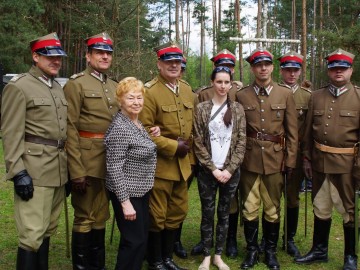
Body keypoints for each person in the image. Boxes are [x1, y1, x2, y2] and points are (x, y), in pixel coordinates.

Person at [1, 32, 68, 269]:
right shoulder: (19, 87)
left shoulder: (57, 87)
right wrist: (18, 172)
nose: (56, 61)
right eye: (50, 57)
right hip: (34, 171)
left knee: (48, 229)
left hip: (57, 170)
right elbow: (10, 133)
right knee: (31, 235)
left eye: (59, 57)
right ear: (35, 57)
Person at [295, 48, 360, 270]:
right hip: (319, 163)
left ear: (351, 70)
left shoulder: (359, 97)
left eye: (343, 68)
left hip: (346, 166)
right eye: (334, 68)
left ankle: (350, 256)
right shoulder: (316, 96)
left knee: (348, 212)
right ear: (329, 71)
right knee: (320, 207)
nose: (338, 71)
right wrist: (306, 158)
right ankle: (319, 250)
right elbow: (306, 133)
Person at [236, 48, 298, 270]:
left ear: (272, 67)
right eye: (258, 65)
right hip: (249, 159)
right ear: (252, 68)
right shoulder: (241, 95)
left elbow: (292, 132)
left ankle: (270, 251)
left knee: (272, 207)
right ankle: (252, 250)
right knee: (249, 206)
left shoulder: (285, 94)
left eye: (266, 64)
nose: (263, 68)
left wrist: (290, 161)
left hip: (275, 160)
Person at [63, 32, 119, 270]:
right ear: (88, 56)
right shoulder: (76, 84)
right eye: (99, 52)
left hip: (110, 162)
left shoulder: (114, 86)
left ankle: (98, 265)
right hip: (86, 162)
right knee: (85, 216)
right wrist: (76, 171)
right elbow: (70, 128)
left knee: (101, 215)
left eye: (108, 53)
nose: (105, 56)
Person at [139, 42, 196, 270]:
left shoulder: (186, 89)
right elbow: (143, 131)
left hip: (182, 166)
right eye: (168, 61)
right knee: (157, 215)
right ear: (159, 64)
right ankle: (155, 260)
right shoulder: (150, 92)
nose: (173, 65)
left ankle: (167, 258)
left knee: (177, 212)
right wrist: (173, 146)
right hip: (160, 165)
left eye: (177, 61)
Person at [258, 51, 311, 257]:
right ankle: (265, 238)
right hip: (272, 152)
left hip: (294, 155)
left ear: (300, 72)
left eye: (295, 70)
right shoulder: (273, 91)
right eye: (287, 69)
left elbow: (306, 130)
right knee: (269, 196)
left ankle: (288, 238)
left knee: (292, 197)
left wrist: (305, 156)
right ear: (280, 70)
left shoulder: (307, 96)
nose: (291, 73)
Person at [194, 66, 246, 270]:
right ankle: (206, 255)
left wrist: (229, 170)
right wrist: (213, 169)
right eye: (219, 82)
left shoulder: (238, 109)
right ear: (212, 83)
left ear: (231, 84)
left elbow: (242, 141)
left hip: (230, 172)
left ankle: (218, 255)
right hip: (208, 172)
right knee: (208, 213)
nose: (223, 86)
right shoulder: (202, 108)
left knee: (225, 214)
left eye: (226, 82)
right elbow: (197, 141)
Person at [104, 77, 158, 270]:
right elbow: (114, 168)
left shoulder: (136, 122)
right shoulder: (120, 127)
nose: (136, 102)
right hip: (127, 193)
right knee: (133, 241)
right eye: (130, 98)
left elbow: (139, 145)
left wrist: (153, 135)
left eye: (139, 98)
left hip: (141, 191)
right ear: (120, 101)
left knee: (140, 239)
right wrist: (125, 203)